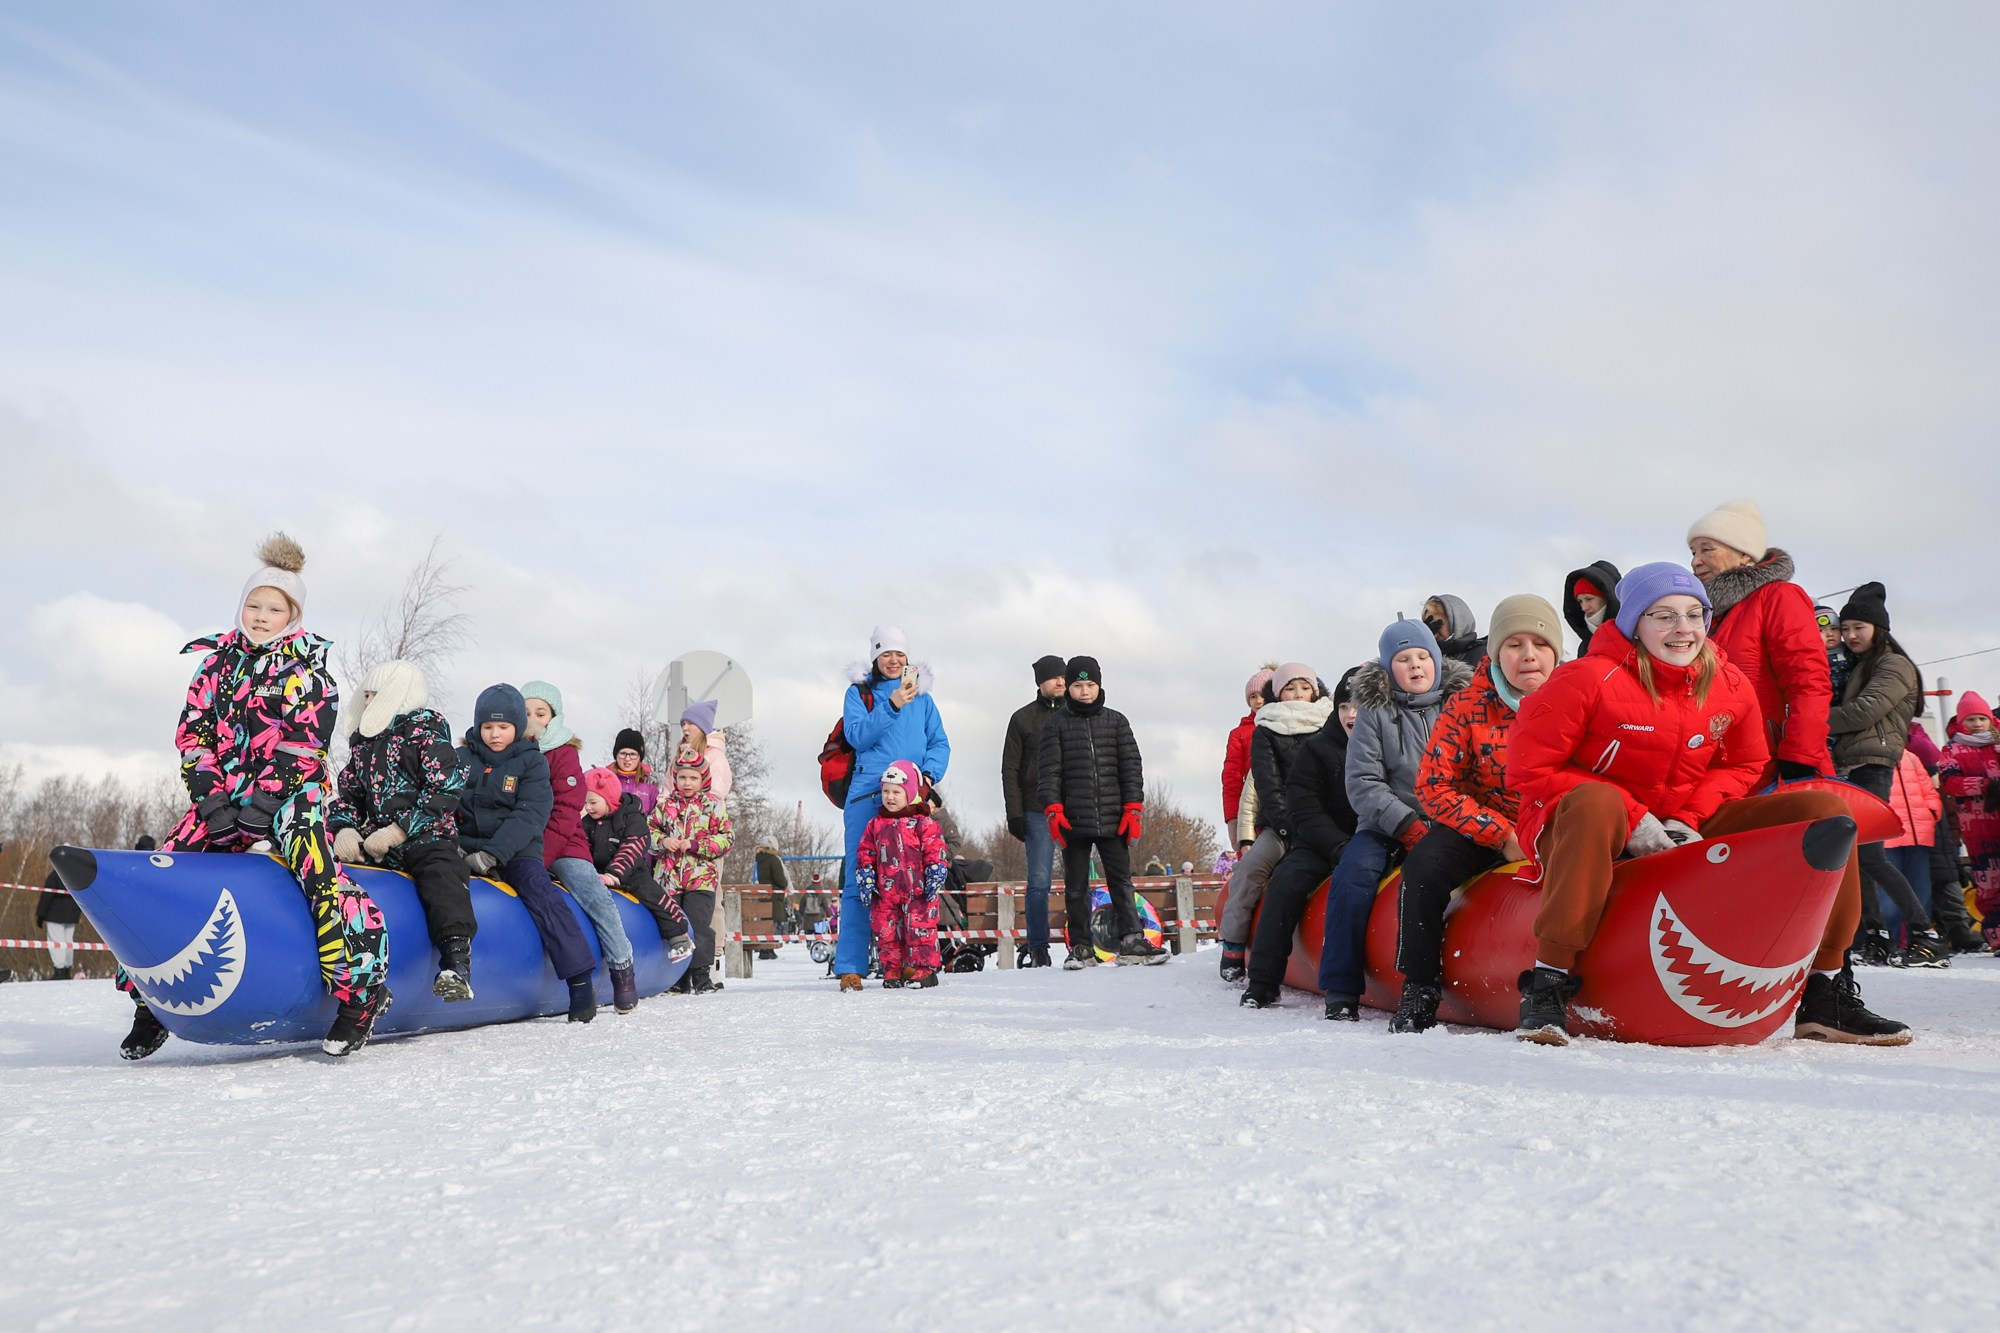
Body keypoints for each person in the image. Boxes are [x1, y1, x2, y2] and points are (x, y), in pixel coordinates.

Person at [1508, 562, 1907, 1046]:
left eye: (1695, 614)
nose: (1683, 629)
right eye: (1663, 616)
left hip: (1684, 818)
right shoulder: (1585, 678)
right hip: (1583, 822)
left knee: (1827, 812)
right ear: (1633, 621)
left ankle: (1827, 993)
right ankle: (1549, 982)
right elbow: (1530, 769)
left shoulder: (1727, 682)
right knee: (1597, 801)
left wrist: (1685, 816)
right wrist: (1634, 819)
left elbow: (1746, 764)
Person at [133, 534, 389, 1060]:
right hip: (222, 796)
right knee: (167, 867)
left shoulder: (308, 672)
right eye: (254, 604)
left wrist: (263, 810)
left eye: (275, 608)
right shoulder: (213, 667)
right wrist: (211, 805)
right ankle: (148, 1003)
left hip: (290, 797)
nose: (262, 615)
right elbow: (193, 735)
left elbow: (303, 743)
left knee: (321, 877)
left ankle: (359, 997)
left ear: (292, 615)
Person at [1391, 595, 1563, 1033]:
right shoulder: (1466, 707)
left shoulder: (1581, 700)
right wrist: (1500, 834)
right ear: (1495, 653)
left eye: (1540, 644)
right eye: (1514, 644)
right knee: (1424, 867)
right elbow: (1432, 784)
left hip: (1560, 822)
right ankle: (1420, 985)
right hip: (1485, 824)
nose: (1528, 655)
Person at [1318, 621, 1472, 1020]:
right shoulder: (1374, 712)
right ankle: (1340, 986)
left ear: (1437, 661)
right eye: (1404, 660)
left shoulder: (1464, 704)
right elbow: (1363, 781)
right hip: (1386, 821)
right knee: (1353, 876)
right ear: (1389, 669)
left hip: (1453, 817)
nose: (1416, 666)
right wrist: (1405, 824)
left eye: (1423, 657)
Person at [328, 659, 476, 1001]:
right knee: (349, 882)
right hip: (378, 843)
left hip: (427, 838)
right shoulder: (363, 745)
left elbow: (445, 789)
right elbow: (349, 795)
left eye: (374, 696)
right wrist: (345, 829)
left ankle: (457, 961)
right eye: (364, 696)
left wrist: (400, 830)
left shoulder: (425, 736)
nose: (367, 703)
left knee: (443, 879)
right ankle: (364, 974)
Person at [458, 684, 598, 1024]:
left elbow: (530, 813)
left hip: (517, 851)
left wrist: (492, 855)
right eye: (488, 727)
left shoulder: (531, 762)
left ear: (518, 727)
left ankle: (580, 982)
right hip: (464, 847)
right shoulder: (461, 759)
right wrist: (455, 845)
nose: (495, 734)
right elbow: (445, 802)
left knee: (542, 895)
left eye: (503, 727)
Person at [1827, 585, 1948, 968]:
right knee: (1859, 858)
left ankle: (1926, 935)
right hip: (1853, 764)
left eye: (1858, 627)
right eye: (1845, 628)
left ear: (1878, 628)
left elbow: (1864, 711)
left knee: (1872, 857)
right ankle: (1876, 936)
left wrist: (1807, 720)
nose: (1849, 636)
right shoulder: (1862, 664)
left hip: (1873, 765)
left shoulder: (1892, 665)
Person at [835, 627, 950, 991]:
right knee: (861, 880)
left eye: (900, 655)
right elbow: (856, 736)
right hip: (867, 796)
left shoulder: (925, 700)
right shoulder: (860, 694)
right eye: (886, 654)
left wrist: (926, 780)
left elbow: (940, 743)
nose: (894, 660)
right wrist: (892, 704)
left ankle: (906, 963)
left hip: (911, 799)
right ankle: (851, 966)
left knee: (910, 882)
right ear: (875, 657)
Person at [1240, 666, 1361, 1008]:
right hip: (1318, 841)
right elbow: (1304, 806)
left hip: (1370, 839)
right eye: (1344, 707)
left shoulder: (1383, 747)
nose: (1352, 715)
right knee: (1285, 882)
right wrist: (1335, 844)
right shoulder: (1318, 749)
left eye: (1360, 706)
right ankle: (1263, 980)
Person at [1687, 499, 1830, 783]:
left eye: (1707, 549)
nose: (1695, 560)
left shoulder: (1778, 596)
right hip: (1721, 769)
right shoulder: (1703, 616)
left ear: (1743, 554)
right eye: (1693, 551)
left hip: (1775, 766)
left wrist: (1799, 756)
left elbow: (1808, 680)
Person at [1038, 655, 1166, 968]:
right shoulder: (1056, 726)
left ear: (1099, 685)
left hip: (1113, 819)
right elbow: (1049, 772)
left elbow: (1131, 767)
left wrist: (1133, 808)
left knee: (1121, 882)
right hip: (1073, 819)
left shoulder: (1117, 722)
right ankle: (1081, 947)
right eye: (1078, 685)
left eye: (1090, 685)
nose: (1084, 691)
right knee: (1076, 886)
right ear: (1068, 687)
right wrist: (1053, 810)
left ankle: (1133, 941)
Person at [523, 681, 639, 1014]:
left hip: (562, 843)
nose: (533, 718)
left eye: (540, 713)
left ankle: (622, 967)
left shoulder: (563, 753)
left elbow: (566, 810)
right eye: (527, 712)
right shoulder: (512, 749)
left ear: (553, 716)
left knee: (594, 895)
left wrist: (542, 856)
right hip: (522, 841)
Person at [1218, 663, 1332, 982]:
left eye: (1304, 688)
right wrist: (1286, 825)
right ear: (1278, 694)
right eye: (1290, 689)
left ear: (1315, 691)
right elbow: (1266, 784)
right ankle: (1233, 943)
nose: (1297, 694)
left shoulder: (1330, 724)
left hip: (1323, 823)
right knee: (1252, 869)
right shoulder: (1266, 730)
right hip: (1283, 826)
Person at [581, 767, 694, 963]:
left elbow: (633, 846)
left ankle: (679, 934)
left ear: (608, 799)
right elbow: (582, 848)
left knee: (653, 895)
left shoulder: (632, 818)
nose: (588, 808)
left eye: (593, 802)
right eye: (585, 803)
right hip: (599, 872)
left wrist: (615, 873)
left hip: (631, 871)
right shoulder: (588, 822)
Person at [854, 761, 950, 989]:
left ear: (910, 794)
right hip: (885, 891)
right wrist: (866, 875)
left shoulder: (923, 823)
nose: (890, 797)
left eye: (896, 792)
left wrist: (935, 871)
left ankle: (925, 970)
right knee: (886, 931)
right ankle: (892, 970)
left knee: (921, 930)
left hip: (918, 890)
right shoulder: (876, 824)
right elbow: (865, 852)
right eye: (886, 791)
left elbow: (935, 849)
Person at [1001, 654, 1067, 968]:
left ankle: (1080, 942)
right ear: (1040, 682)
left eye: (1063, 677)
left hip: (1073, 807)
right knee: (1039, 880)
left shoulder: (1075, 715)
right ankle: (1038, 946)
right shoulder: (1022, 719)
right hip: (1034, 808)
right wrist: (1014, 813)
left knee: (1078, 878)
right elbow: (1010, 769)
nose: (1060, 682)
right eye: (1054, 677)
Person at [651, 747, 734, 993]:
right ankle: (676, 977)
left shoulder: (712, 806)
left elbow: (726, 839)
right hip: (669, 877)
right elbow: (648, 832)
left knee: (698, 925)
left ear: (703, 780)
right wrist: (663, 841)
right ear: (675, 779)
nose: (687, 783)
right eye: (682, 777)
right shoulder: (665, 806)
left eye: (693, 778)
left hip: (701, 878)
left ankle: (701, 975)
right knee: (673, 925)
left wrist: (697, 845)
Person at [1940, 692, 2000, 952]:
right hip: (1978, 828)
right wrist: (1986, 786)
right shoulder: (1953, 749)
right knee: (1989, 884)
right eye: (1971, 719)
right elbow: (1949, 782)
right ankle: (1997, 936)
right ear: (1961, 722)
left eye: (1981, 718)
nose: (1977, 724)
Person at [1882, 746, 1943, 953]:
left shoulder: (1911, 757)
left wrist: (1932, 812)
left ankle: (1919, 939)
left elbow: (1928, 788)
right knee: (1887, 893)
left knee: (1921, 891)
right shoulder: (1872, 756)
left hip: (1919, 832)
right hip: (1888, 835)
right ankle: (1889, 941)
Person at [678, 700, 734, 802]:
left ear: (702, 727)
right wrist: (664, 810)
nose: (684, 728)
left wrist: (696, 811)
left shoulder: (715, 756)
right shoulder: (680, 755)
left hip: (705, 815)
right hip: (676, 815)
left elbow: (715, 794)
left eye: (690, 723)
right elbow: (668, 789)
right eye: (683, 724)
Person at [1561, 562, 1622, 654]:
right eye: (1580, 601)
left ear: (1607, 597)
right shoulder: (1585, 648)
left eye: (1589, 599)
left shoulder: (1635, 636)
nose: (1584, 607)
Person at [37, 863, 82, 980]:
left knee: (56, 942)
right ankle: (67, 969)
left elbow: (47, 895)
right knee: (68, 942)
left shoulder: (55, 875)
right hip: (72, 915)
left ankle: (59, 971)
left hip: (55, 915)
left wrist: (40, 915)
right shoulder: (76, 876)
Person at [1423, 595, 1487, 669]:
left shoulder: (1481, 655)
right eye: (1428, 626)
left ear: (1458, 623)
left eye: (1439, 624)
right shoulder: (1429, 657)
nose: (1434, 632)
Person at [610, 727, 660, 817]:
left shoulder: (649, 785)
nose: (627, 759)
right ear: (616, 755)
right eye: (623, 753)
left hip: (641, 830)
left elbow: (655, 818)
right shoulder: (606, 781)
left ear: (639, 757)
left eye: (633, 754)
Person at [754, 843, 792, 950]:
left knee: (766, 922)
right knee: (774, 923)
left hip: (764, 896)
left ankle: (765, 949)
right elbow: (780, 879)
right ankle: (769, 949)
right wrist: (784, 883)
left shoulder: (760, 861)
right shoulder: (774, 860)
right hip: (775, 897)